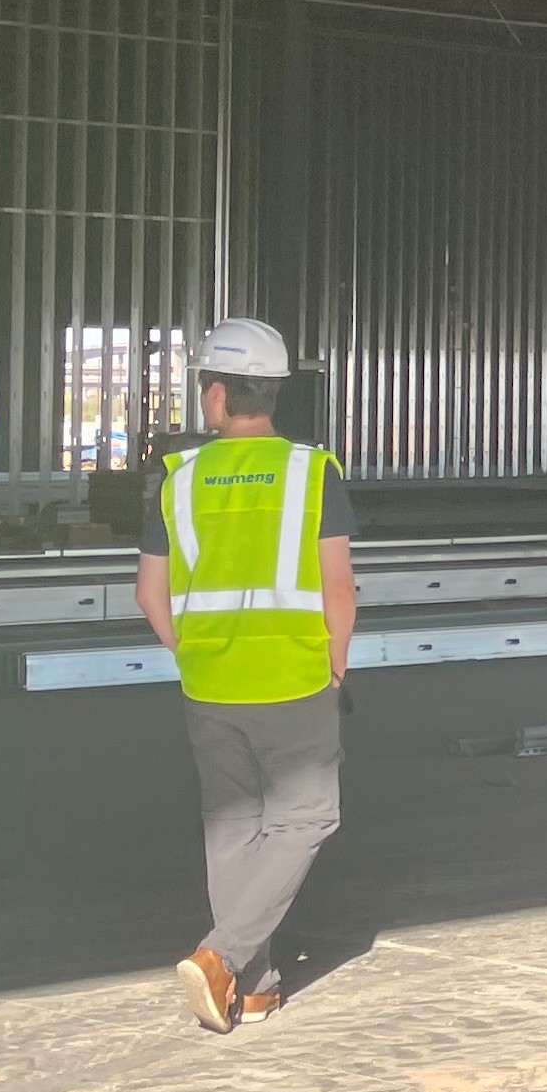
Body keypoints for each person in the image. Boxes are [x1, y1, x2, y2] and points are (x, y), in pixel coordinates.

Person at [135, 319, 356, 1034]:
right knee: (307, 816)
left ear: (219, 393)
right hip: (293, 676)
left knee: (232, 827)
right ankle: (221, 956)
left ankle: (253, 988)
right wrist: (335, 665)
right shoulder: (311, 471)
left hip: (209, 682)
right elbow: (338, 588)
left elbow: (148, 592)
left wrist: (190, 650)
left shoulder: (178, 475)